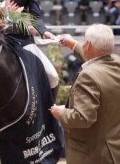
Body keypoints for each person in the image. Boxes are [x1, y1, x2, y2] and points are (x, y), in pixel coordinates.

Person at [50, 24, 120, 164]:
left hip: (93, 155)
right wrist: (72, 44)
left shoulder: (88, 76)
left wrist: (60, 112)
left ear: (87, 45)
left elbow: (82, 118)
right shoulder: (116, 62)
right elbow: (98, 58)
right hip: (114, 148)